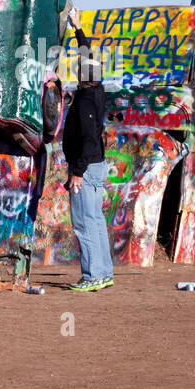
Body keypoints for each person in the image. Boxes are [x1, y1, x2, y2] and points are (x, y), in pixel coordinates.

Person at [63, 34, 114, 291]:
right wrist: (78, 30)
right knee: (95, 220)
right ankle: (103, 273)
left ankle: (92, 276)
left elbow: (89, 140)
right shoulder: (98, 90)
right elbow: (88, 58)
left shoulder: (84, 102)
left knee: (84, 222)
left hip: (87, 168)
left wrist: (78, 172)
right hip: (97, 166)